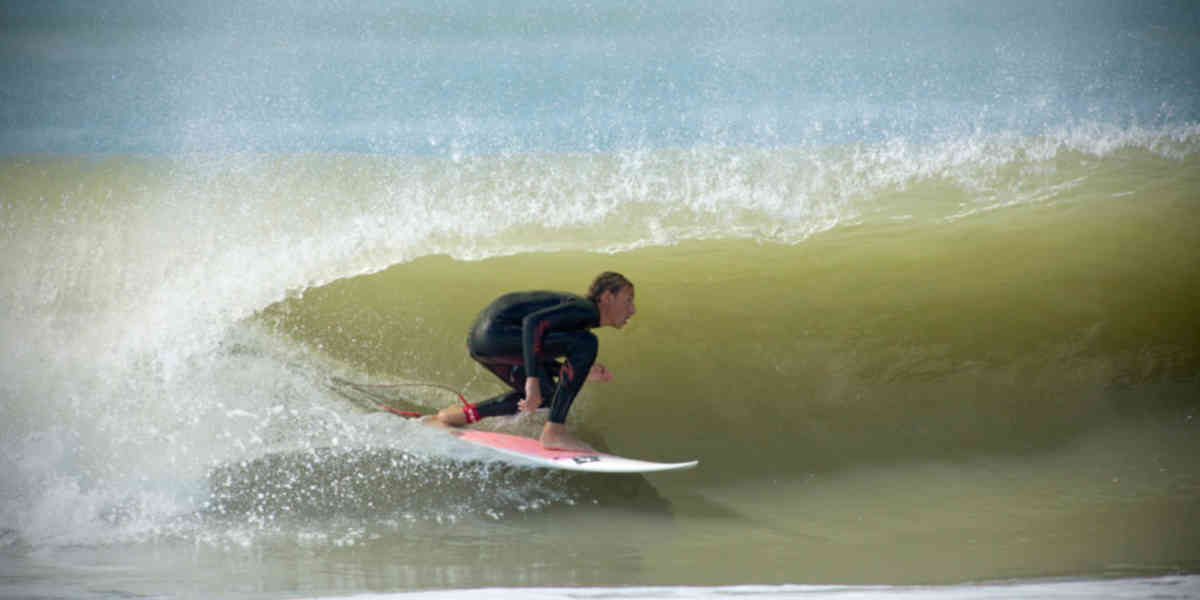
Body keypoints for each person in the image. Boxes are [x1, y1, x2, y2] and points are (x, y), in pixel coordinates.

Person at [424, 271, 636, 451]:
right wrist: (532, 379)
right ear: (607, 297)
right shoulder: (585, 309)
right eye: (628, 300)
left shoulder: (576, 317)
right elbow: (532, 323)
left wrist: (567, 369)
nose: (632, 310)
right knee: (587, 343)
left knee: (546, 394)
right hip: (497, 334)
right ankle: (554, 432)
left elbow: (533, 346)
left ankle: (460, 416)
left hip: (484, 342)